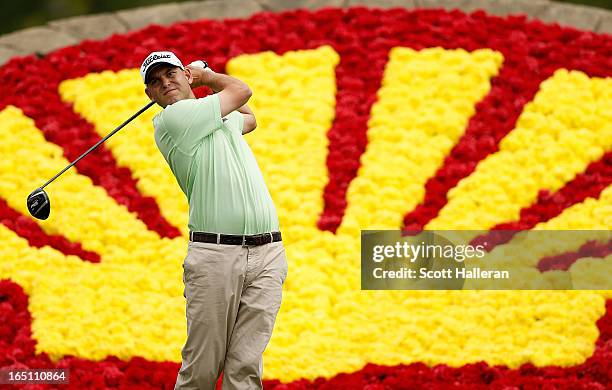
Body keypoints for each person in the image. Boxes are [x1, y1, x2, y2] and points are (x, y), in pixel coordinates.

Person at [140, 51, 288, 390]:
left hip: (267, 253)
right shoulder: (173, 120)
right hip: (216, 256)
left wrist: (205, 81)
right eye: (155, 81)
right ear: (150, 96)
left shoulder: (214, 117)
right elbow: (242, 91)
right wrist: (206, 76)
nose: (165, 82)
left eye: (171, 74)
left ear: (183, 76)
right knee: (202, 370)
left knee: (246, 369)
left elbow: (248, 118)